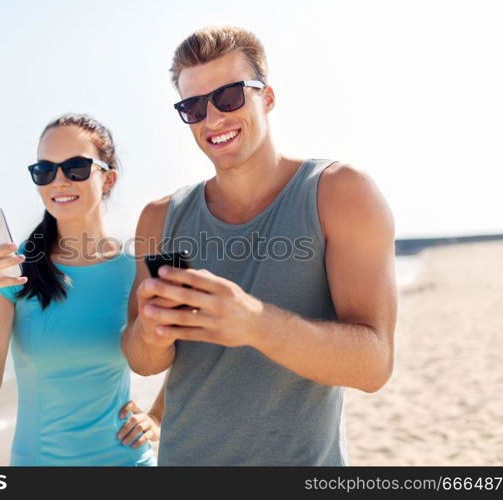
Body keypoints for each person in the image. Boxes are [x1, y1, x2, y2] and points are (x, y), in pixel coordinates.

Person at [121, 26, 397, 465]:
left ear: (266, 97)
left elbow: (374, 365)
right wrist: (150, 332)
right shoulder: (159, 217)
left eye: (229, 96)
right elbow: (144, 362)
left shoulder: (340, 193)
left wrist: (255, 323)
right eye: (193, 107)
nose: (213, 119)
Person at [0, 113, 162, 466]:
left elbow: (194, 350)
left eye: (77, 168)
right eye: (45, 170)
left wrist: (158, 415)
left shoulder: (135, 269)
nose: (59, 181)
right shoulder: (17, 268)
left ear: (108, 178)